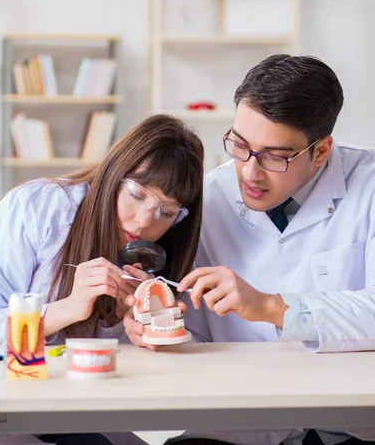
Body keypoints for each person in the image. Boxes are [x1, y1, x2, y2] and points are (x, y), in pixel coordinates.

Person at [125, 55, 375, 445]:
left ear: (321, 151)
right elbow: (197, 336)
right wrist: (159, 331)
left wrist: (271, 307)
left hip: (348, 424)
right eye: (239, 145)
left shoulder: (369, 187)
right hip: (240, 426)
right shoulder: (207, 196)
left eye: (275, 156)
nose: (249, 172)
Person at [0, 113, 204, 445]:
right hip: (9, 409)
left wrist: (141, 333)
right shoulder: (39, 208)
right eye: (137, 195)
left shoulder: (161, 254)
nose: (143, 223)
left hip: (91, 412)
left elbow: (176, 360)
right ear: (113, 174)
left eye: (166, 212)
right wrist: (67, 309)